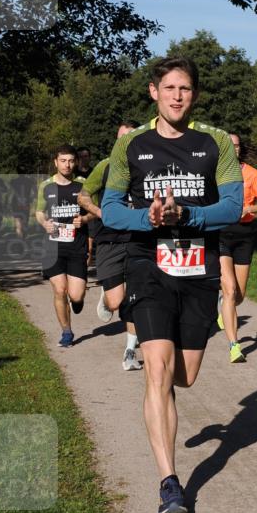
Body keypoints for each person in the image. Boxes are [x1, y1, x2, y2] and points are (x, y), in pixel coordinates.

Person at [101, 56, 243, 513]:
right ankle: (170, 483)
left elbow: (233, 205)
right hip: (149, 266)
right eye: (169, 88)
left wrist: (187, 215)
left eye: (185, 88)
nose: (177, 95)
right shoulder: (132, 148)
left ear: (194, 95)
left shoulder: (215, 143)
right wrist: (150, 217)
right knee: (157, 371)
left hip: (197, 267)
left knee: (184, 376)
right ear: (153, 92)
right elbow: (110, 210)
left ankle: (166, 415)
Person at [78, 119, 142, 371]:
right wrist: (100, 211)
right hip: (109, 239)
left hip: (139, 239)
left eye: (130, 137)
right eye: (121, 137)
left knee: (135, 298)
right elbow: (82, 195)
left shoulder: (147, 165)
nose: (125, 142)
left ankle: (129, 351)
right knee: (117, 301)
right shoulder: (105, 167)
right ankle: (108, 296)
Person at [217, 133, 257, 363]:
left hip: (244, 236)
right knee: (229, 289)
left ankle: (224, 306)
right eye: (230, 146)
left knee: (239, 295)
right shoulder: (214, 174)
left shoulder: (253, 174)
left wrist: (248, 209)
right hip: (219, 234)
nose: (234, 149)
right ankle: (234, 345)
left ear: (241, 149)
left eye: (237, 146)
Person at [35, 145, 93, 347]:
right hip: (53, 247)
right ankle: (66, 332)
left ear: (75, 162)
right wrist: (45, 223)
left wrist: (84, 219)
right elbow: (39, 212)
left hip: (76, 246)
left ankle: (78, 301)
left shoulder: (83, 184)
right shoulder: (46, 186)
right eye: (63, 161)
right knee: (60, 290)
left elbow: (94, 211)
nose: (67, 165)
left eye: (70, 161)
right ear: (55, 162)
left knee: (75, 294)